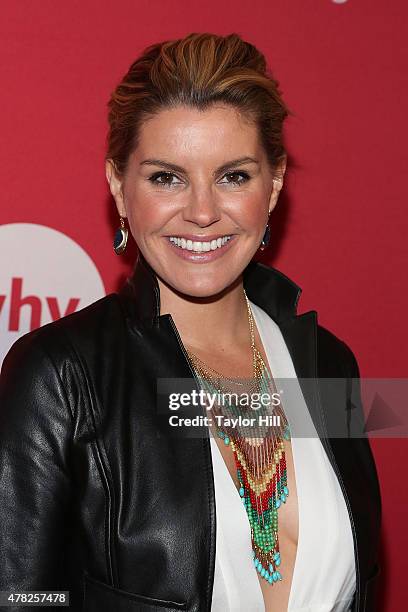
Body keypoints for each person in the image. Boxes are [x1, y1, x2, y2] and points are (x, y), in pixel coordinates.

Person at [0, 32, 382, 612]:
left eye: (234, 176)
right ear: (118, 187)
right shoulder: (61, 377)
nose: (203, 212)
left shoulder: (329, 364)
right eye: (166, 177)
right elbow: (21, 596)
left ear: (273, 184)